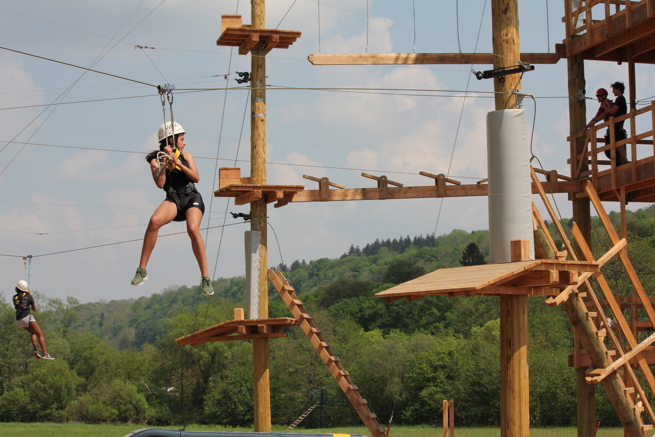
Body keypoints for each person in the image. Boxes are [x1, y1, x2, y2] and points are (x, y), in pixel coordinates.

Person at [131, 122, 215, 296]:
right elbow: (160, 183)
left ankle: (205, 277)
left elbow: (196, 177)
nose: (185, 143)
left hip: (191, 196)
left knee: (192, 228)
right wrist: (164, 163)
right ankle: (142, 269)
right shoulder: (155, 159)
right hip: (173, 198)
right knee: (154, 221)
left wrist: (177, 162)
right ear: (172, 140)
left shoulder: (187, 156)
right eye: (182, 140)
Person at [586, 86, 628, 165]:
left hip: (616, 127)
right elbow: (596, 116)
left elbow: (605, 113)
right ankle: (619, 164)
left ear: (604, 96)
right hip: (611, 128)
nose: (598, 98)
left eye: (599, 96)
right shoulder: (602, 107)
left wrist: (596, 120)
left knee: (617, 145)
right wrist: (586, 127)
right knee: (609, 150)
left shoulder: (611, 104)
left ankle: (624, 162)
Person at [12, 280, 54, 360]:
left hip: (18, 320)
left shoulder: (14, 297)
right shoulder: (29, 296)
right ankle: (45, 354)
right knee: (40, 334)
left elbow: (20, 303)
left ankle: (35, 350)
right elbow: (34, 309)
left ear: (17, 288)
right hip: (26, 317)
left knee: (33, 332)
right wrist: (31, 299)